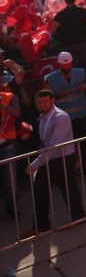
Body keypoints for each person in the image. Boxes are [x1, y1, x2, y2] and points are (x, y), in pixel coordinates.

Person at [22, 90, 86, 237]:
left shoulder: (60, 118)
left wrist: (34, 165)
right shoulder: (43, 117)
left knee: (69, 189)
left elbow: (53, 146)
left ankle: (78, 217)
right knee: (40, 190)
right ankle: (41, 224)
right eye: (39, 102)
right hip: (49, 158)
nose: (42, 105)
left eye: (45, 101)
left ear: (52, 101)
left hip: (61, 159)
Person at [43, 52, 86, 177]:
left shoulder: (81, 73)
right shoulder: (50, 78)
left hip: (81, 114)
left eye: (68, 66)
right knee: (67, 146)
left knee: (84, 143)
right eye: (64, 66)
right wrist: (57, 95)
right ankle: (69, 172)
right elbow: (44, 97)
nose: (66, 69)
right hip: (64, 118)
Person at [51, 0, 86, 90]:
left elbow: (53, 30)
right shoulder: (83, 11)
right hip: (83, 43)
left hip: (67, 45)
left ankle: (76, 89)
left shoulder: (60, 14)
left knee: (73, 68)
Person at [1, 67, 21, 219]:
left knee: (11, 182)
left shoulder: (9, 97)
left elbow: (16, 112)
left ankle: (12, 208)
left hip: (7, 146)